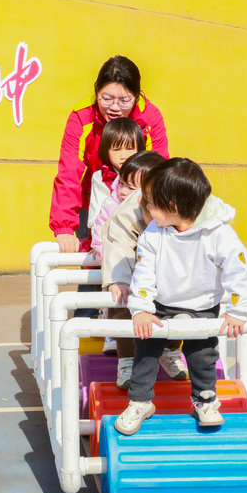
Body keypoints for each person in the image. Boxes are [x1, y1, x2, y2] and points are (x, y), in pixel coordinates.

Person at [115, 158, 247, 434]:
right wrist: (141, 309)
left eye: (151, 203)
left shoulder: (219, 233)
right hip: (160, 303)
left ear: (173, 207)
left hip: (202, 305)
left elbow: (239, 270)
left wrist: (238, 311)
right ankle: (140, 402)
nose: (145, 208)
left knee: (202, 354)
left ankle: (205, 401)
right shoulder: (154, 232)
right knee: (146, 350)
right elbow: (143, 272)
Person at [49, 55, 169, 255]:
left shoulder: (149, 117)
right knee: (93, 259)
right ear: (96, 91)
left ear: (137, 96)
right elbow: (69, 172)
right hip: (93, 201)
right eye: (107, 98)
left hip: (138, 201)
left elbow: (158, 170)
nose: (114, 107)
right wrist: (64, 227)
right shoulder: (81, 116)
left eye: (124, 100)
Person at [94, 151, 172, 388]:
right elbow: (116, 243)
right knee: (123, 300)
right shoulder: (124, 210)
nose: (125, 192)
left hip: (163, 274)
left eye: (134, 187)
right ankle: (126, 360)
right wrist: (118, 279)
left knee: (177, 304)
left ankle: (170, 350)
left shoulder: (171, 203)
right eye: (123, 185)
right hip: (131, 269)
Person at [89, 118, 147, 261]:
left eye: (130, 148)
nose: (124, 155)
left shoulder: (147, 173)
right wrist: (99, 243)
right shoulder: (100, 177)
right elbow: (97, 215)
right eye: (116, 149)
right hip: (108, 238)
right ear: (107, 152)